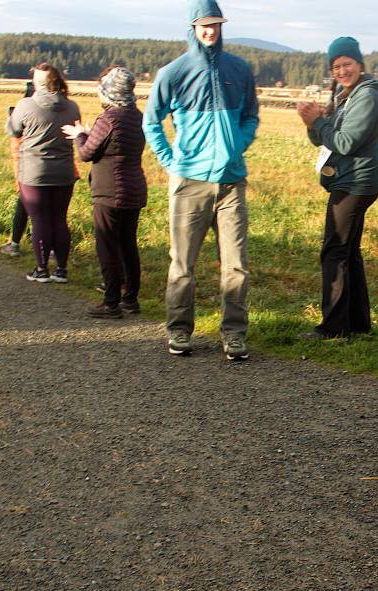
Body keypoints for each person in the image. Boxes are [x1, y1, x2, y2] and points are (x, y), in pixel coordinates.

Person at [143, 0, 259, 360]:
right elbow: (151, 121)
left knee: (236, 266)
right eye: (204, 24)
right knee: (182, 265)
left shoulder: (238, 69)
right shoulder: (173, 73)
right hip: (189, 183)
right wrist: (171, 161)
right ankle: (179, 331)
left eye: (216, 24)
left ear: (222, 27)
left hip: (230, 183)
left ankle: (234, 335)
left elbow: (251, 116)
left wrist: (237, 144)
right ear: (192, 27)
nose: (210, 30)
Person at [296, 36, 378, 340]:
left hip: (355, 182)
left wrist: (318, 122)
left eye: (347, 63)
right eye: (336, 66)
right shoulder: (346, 94)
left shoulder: (366, 96)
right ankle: (358, 324)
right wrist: (313, 124)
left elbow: (345, 142)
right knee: (348, 252)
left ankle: (333, 329)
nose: (342, 70)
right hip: (352, 180)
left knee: (334, 251)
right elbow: (324, 139)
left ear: (359, 64)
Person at [63, 66, 147, 319]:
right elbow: (113, 146)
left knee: (107, 246)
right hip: (134, 189)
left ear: (109, 93)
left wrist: (79, 135)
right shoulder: (137, 116)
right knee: (128, 245)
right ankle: (130, 299)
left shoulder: (109, 118)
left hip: (110, 191)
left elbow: (87, 153)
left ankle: (110, 303)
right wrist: (90, 135)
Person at [6, 63, 81, 283]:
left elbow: (13, 130)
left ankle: (41, 269)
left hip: (34, 172)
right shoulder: (72, 106)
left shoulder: (26, 105)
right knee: (59, 219)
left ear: (38, 84)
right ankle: (61, 270)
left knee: (40, 220)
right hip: (64, 171)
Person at [0, 80, 35, 257]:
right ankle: (51, 249)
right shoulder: (60, 109)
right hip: (56, 171)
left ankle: (15, 244)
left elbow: (12, 130)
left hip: (27, 171)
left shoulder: (22, 113)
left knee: (25, 207)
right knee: (52, 212)